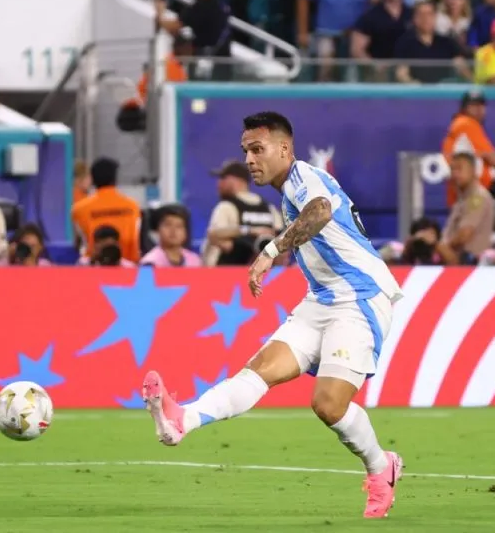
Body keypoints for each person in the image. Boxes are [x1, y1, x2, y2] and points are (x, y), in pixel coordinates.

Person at [141, 112, 405, 519]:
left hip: (360, 299)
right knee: (258, 370)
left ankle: (380, 467)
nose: (249, 159)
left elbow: (318, 212)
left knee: (328, 405)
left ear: (285, 149)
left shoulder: (304, 178)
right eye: (246, 150)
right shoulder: (287, 194)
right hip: (321, 300)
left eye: (257, 149)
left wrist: (269, 251)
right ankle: (182, 419)